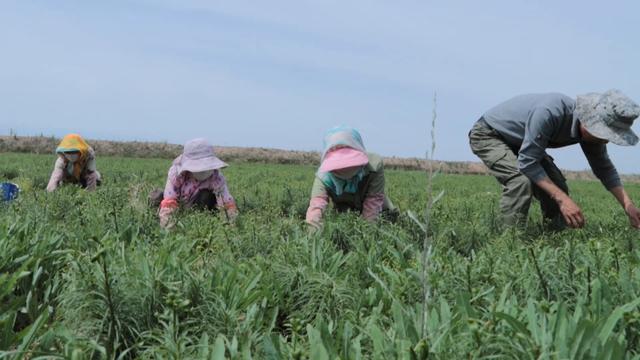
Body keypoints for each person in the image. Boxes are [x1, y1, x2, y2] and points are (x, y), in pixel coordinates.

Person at [468, 89, 640, 230]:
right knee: (520, 181)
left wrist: (628, 206)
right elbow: (528, 163)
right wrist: (563, 200)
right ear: (589, 122)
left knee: (557, 186)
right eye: (604, 133)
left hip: (522, 142)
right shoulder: (551, 112)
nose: (605, 140)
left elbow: (604, 169)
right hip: (489, 134)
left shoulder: (591, 135)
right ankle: (510, 242)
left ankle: (554, 236)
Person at [306, 126, 397, 229]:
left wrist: (367, 234)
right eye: (339, 165)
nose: (345, 169)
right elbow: (316, 207)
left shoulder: (374, 166)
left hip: (381, 211)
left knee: (389, 221)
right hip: (346, 212)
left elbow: (373, 200)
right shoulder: (323, 177)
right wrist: (313, 238)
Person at [150, 138, 238, 229]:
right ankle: (155, 218)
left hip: (199, 205)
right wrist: (168, 225)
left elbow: (226, 201)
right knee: (157, 195)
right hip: (179, 203)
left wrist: (230, 224)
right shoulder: (177, 175)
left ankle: (202, 220)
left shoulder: (216, 178)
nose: (203, 171)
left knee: (206, 195)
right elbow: (170, 198)